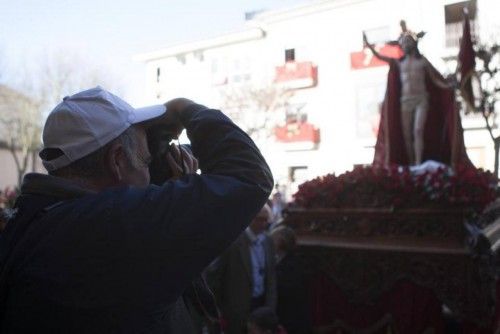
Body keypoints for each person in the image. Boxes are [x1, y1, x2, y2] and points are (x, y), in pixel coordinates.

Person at [0, 87, 273, 333]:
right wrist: (184, 108)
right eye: (144, 160)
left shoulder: (32, 221)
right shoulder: (117, 226)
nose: (149, 171)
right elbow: (249, 175)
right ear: (117, 160)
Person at [364, 22, 470, 167]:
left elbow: (435, 79)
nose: (407, 44)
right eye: (404, 42)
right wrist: (369, 45)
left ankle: (419, 162)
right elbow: (380, 57)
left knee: (418, 130)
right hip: (405, 101)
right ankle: (412, 162)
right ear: (401, 45)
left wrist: (448, 86)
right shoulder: (398, 63)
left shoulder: (423, 61)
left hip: (421, 100)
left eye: (409, 41)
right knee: (407, 134)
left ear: (414, 43)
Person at [207, 204, 277, 334]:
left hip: (261, 304)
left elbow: (271, 276)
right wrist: (216, 309)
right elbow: (214, 276)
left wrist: (270, 306)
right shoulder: (233, 242)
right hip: (237, 308)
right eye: (259, 219)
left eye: (265, 220)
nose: (263, 223)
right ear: (250, 218)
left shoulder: (268, 241)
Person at [270, 226, 311, 334]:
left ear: (281, 242)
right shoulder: (281, 261)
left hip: (291, 317)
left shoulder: (291, 265)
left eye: (273, 239)